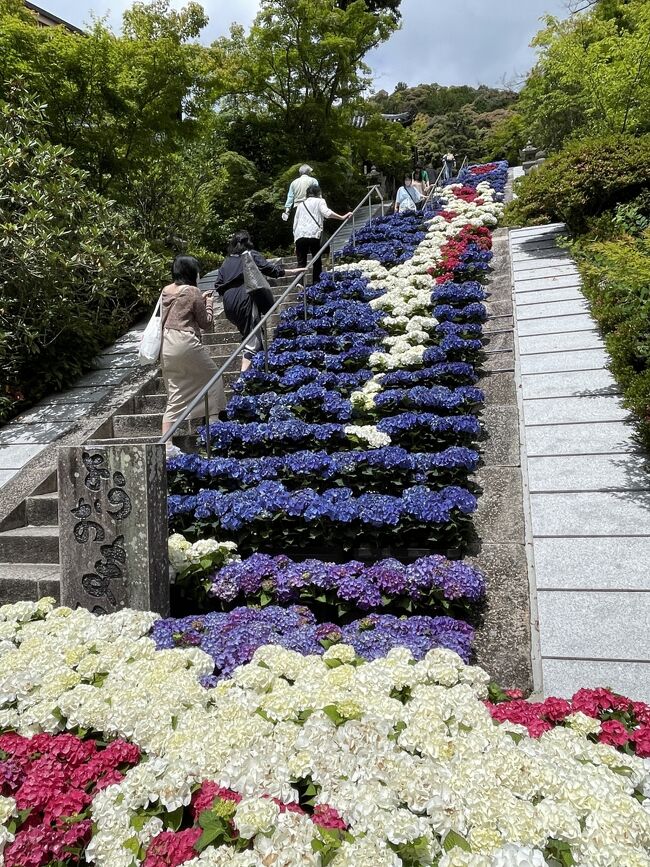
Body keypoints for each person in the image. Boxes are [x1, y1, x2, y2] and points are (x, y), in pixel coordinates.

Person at [214, 231, 304, 372]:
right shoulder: (250, 255)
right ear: (248, 241)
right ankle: (243, 380)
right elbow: (269, 269)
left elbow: (218, 285)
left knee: (250, 336)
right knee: (253, 343)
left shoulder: (226, 262)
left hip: (229, 302)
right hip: (245, 297)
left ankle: (257, 374)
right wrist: (293, 272)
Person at [161, 255, 224, 452]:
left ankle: (166, 443)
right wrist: (209, 304)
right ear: (190, 272)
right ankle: (213, 423)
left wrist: (199, 299)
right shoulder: (193, 291)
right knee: (214, 377)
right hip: (184, 342)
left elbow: (180, 307)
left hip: (166, 346)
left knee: (176, 392)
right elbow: (205, 323)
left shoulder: (166, 291)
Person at [293, 184, 352, 285]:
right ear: (318, 193)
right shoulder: (320, 201)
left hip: (300, 235)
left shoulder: (300, 205)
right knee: (316, 260)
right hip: (313, 234)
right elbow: (327, 213)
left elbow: (295, 223)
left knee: (301, 262)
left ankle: (299, 283)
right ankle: (316, 283)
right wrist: (342, 217)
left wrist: (295, 242)